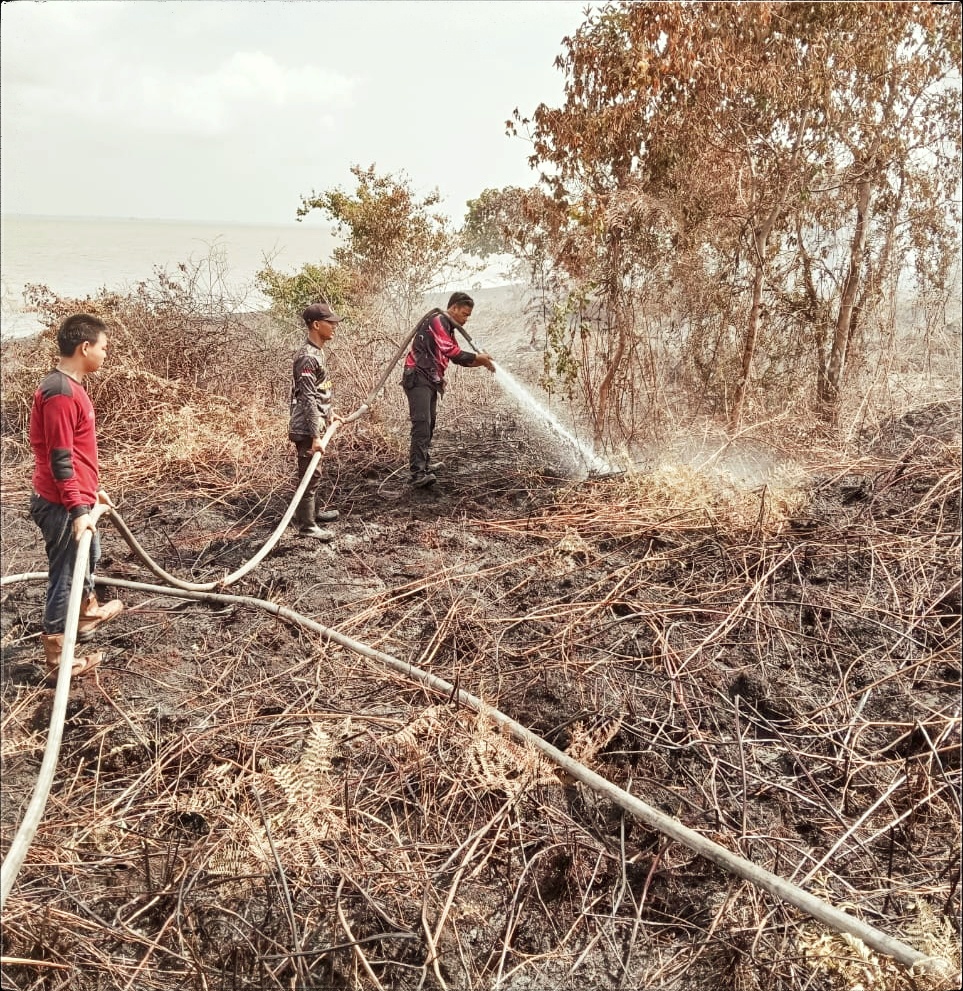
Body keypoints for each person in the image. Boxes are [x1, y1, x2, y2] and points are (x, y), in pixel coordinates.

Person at [29, 313, 124, 678]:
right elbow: (60, 458)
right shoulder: (60, 394)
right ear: (85, 348)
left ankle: (85, 613)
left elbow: (77, 453)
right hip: (59, 503)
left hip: (76, 495)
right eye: (103, 348)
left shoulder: (72, 388)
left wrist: (92, 490)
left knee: (91, 554)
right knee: (65, 574)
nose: (105, 355)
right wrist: (77, 509)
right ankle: (57, 659)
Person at [401, 292, 495, 487]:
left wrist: (482, 363)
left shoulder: (448, 327)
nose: (466, 319)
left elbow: (456, 358)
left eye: (468, 315)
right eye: (464, 314)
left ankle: (424, 464)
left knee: (430, 423)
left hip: (430, 379)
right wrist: (480, 359)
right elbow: (453, 352)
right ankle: (417, 474)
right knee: (422, 425)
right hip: (418, 377)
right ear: (453, 308)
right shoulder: (438, 320)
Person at [288, 302, 343, 540]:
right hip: (307, 427)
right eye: (330, 323)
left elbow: (321, 390)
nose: (334, 327)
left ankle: (313, 514)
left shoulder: (317, 352)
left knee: (315, 472)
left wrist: (330, 414)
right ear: (316, 325)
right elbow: (308, 398)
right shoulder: (307, 358)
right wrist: (316, 437)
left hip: (317, 422)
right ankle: (307, 527)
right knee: (309, 475)